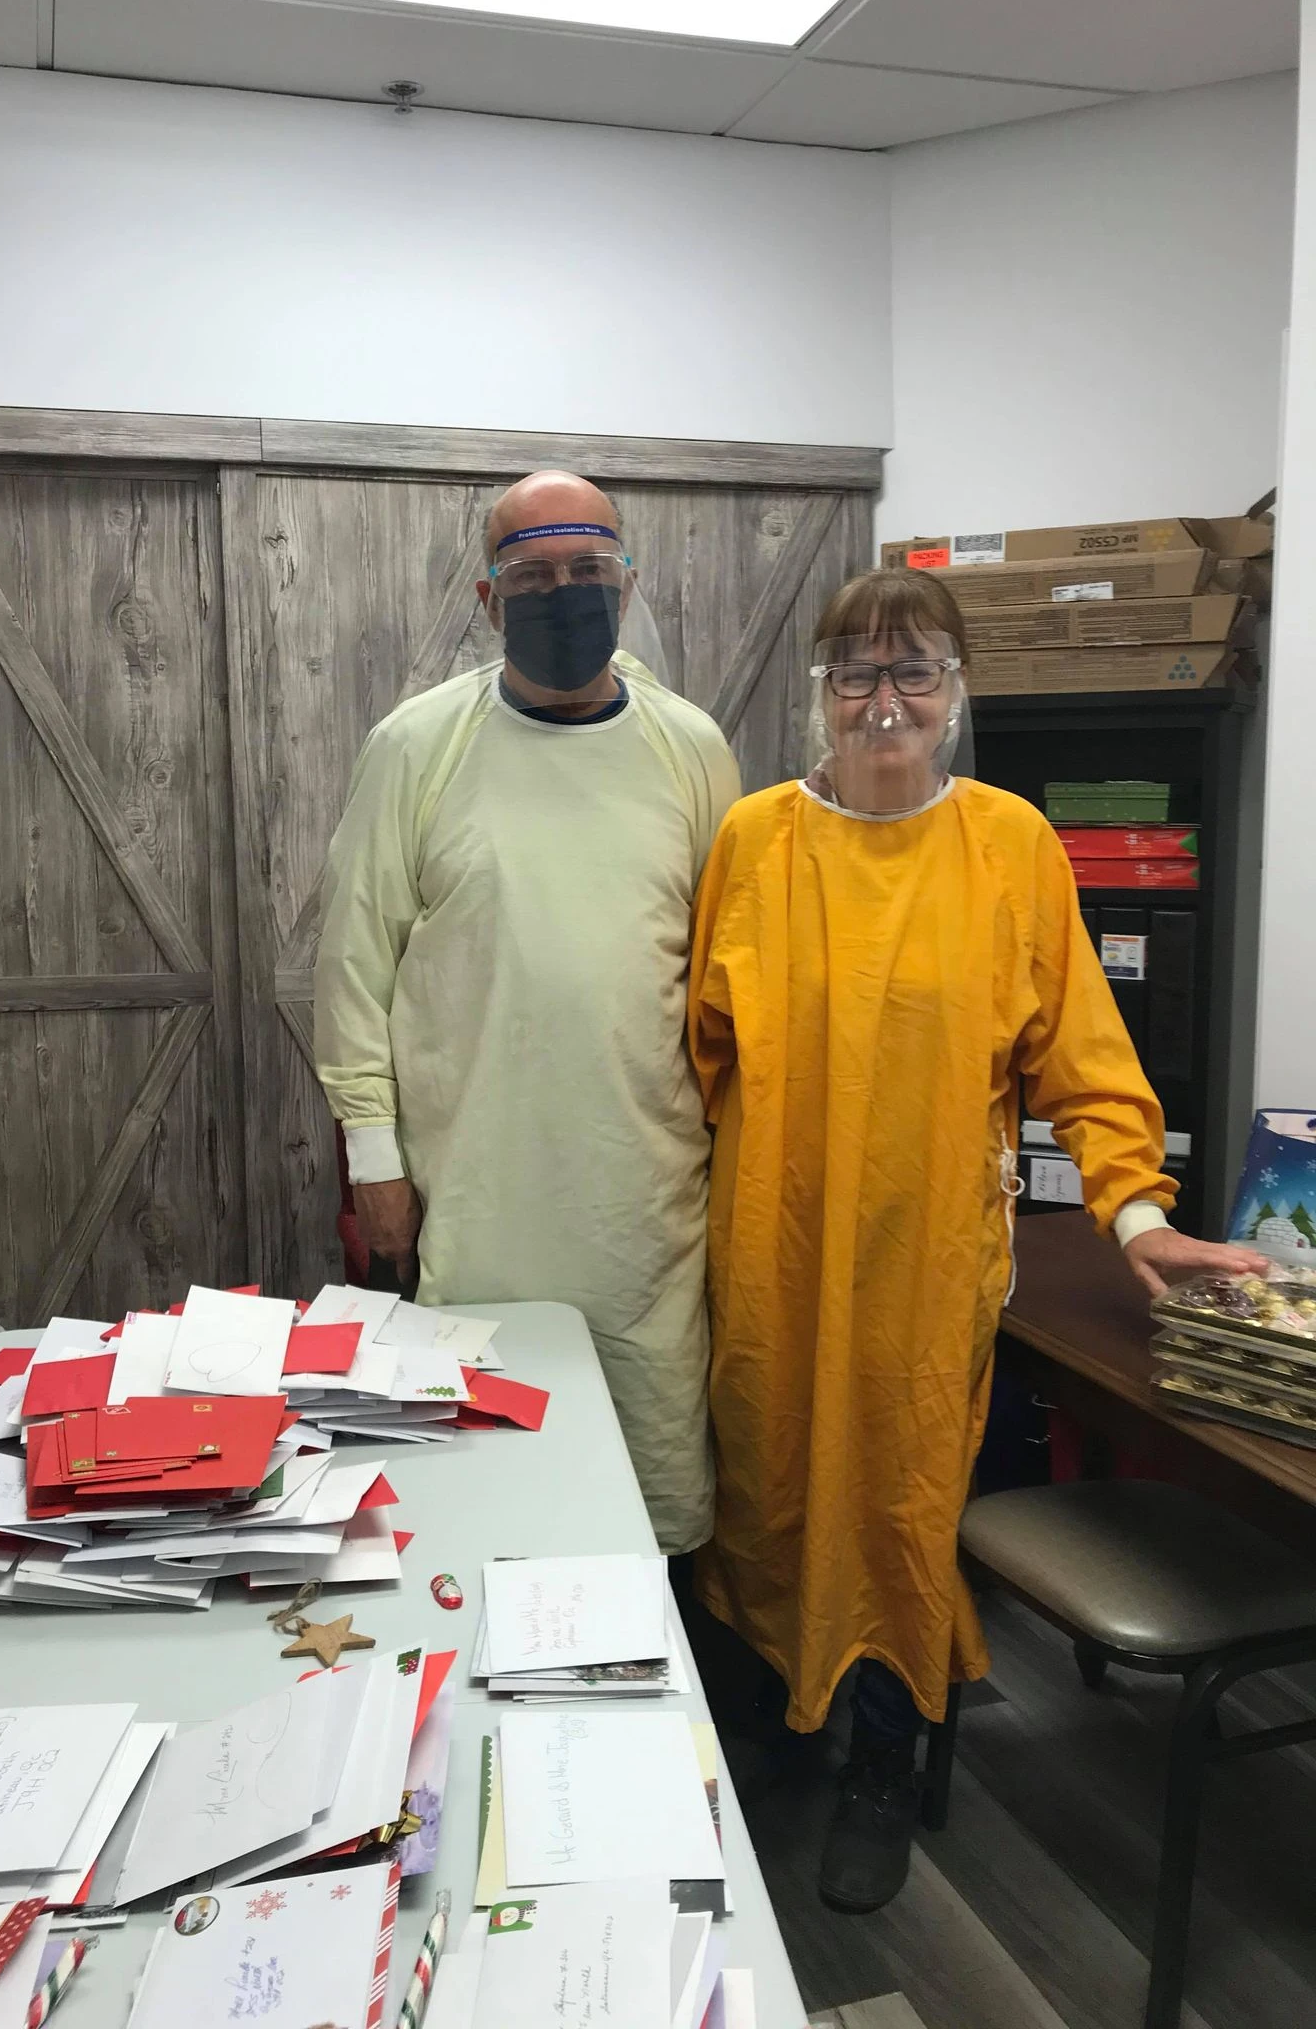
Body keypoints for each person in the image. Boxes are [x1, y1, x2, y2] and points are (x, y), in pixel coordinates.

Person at [686, 568, 1266, 1914]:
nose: (883, 700)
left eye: (915, 670)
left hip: (927, 1258)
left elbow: (1084, 1056)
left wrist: (1136, 1212)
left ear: (956, 693)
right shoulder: (755, 841)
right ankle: (774, 1729)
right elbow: (700, 1057)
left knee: (901, 1499)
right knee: (767, 1480)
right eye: (856, 671)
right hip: (772, 1247)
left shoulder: (1011, 845)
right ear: (820, 692)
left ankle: (883, 1759)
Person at [315, 470, 740, 1554]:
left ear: (627, 581)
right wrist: (375, 1163)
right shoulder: (417, 747)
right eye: (532, 573)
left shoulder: (691, 748)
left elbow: (729, 975)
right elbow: (354, 964)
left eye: (588, 568)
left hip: (645, 1205)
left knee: (646, 1486)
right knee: (486, 1484)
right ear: (488, 598)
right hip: (474, 1191)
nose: (564, 592)